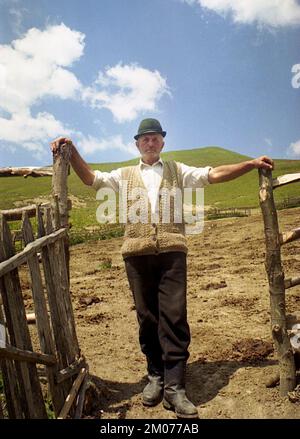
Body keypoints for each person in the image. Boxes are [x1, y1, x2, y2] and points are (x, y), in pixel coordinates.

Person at [51, 118, 273, 419]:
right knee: (147, 317)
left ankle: (175, 387)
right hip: (136, 255)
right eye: (144, 138)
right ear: (137, 144)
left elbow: (214, 174)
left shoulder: (178, 171)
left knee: (174, 316)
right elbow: (91, 178)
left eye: (155, 137)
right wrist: (72, 150)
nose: (150, 142)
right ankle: (155, 376)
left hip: (172, 253)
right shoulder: (124, 174)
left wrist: (250, 163)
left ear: (163, 142)